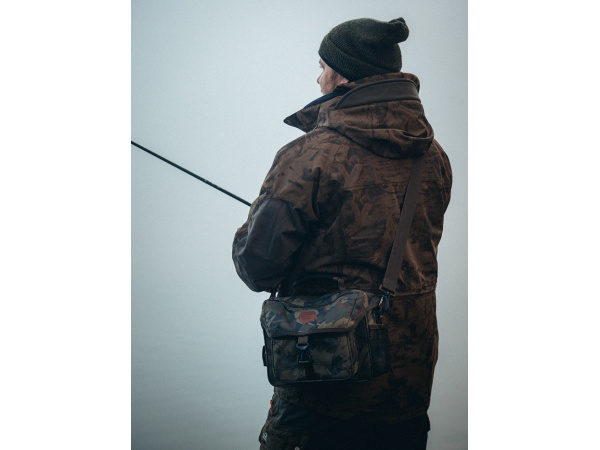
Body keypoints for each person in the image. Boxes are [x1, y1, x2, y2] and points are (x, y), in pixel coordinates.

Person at [232, 17, 452, 450]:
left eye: (322, 67)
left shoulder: (311, 155)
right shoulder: (434, 156)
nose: (318, 79)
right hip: (406, 392)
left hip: (323, 394)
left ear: (343, 75)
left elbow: (257, 267)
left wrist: (256, 217)